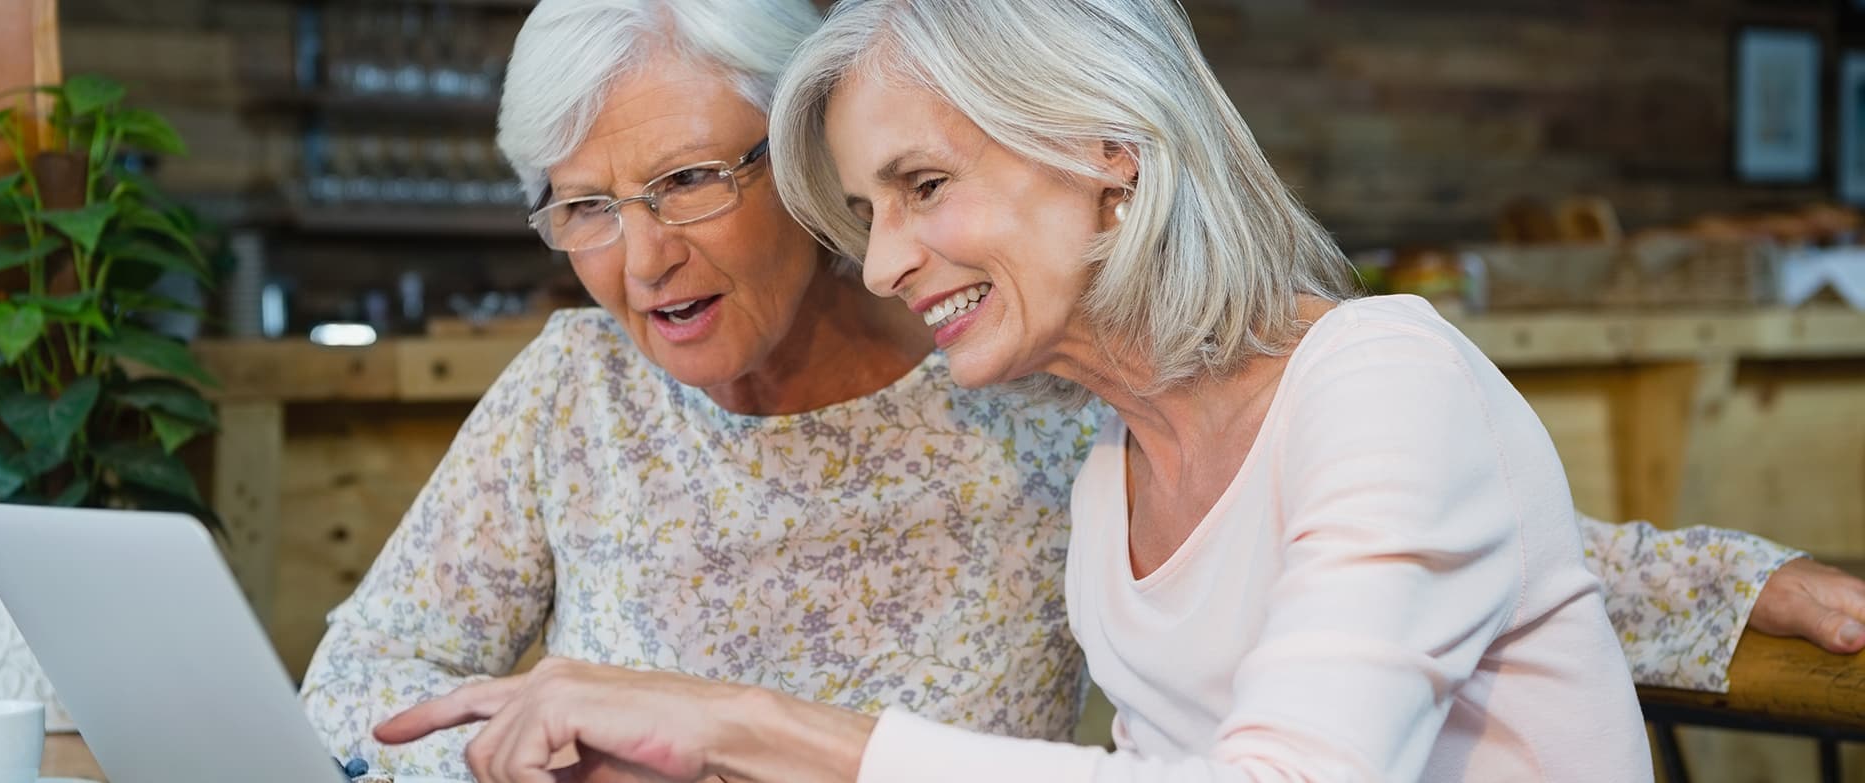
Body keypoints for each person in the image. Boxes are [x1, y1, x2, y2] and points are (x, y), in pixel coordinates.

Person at [313, 0, 1865, 779]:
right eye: (581, 206)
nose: (635, 254)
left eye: (689, 183)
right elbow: (359, 693)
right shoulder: (1100, 418)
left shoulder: (1025, 399)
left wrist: (1740, 587)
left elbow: (1396, 522)